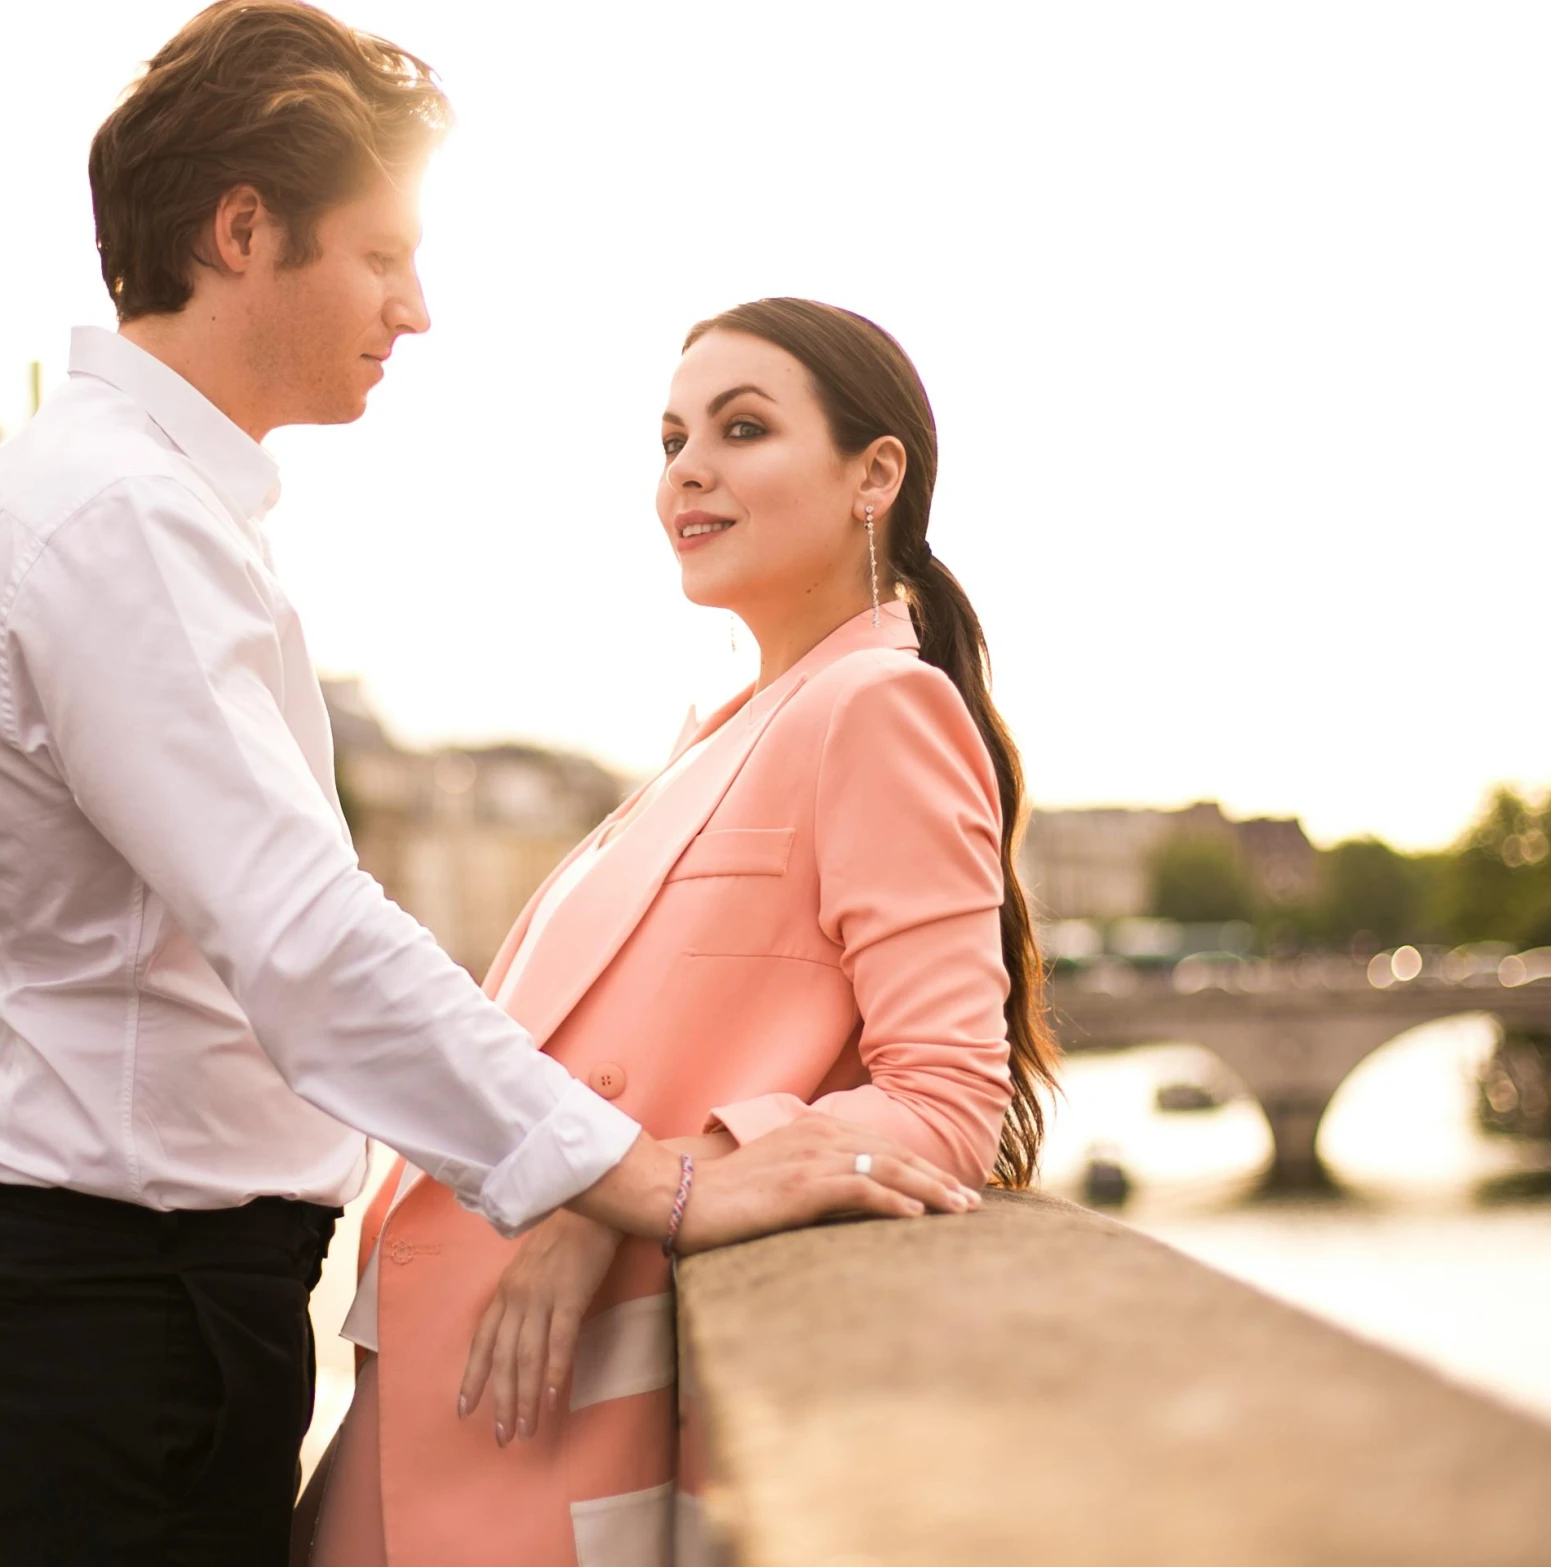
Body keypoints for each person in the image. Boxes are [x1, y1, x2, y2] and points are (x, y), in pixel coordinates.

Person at [0, 8, 974, 1565]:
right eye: (384, 254)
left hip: (129, 1284)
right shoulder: (117, 519)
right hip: (119, 1297)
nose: (419, 307)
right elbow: (302, 934)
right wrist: (644, 1180)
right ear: (244, 230)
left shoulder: (129, 500)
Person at [300, 299, 1058, 1567]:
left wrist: (623, 1194)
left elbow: (946, 1100)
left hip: (545, 1414)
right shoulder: (732, 723)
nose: (685, 470)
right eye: (669, 438)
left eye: (742, 427)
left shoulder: (882, 704)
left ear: (877, 474)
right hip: (448, 1377)